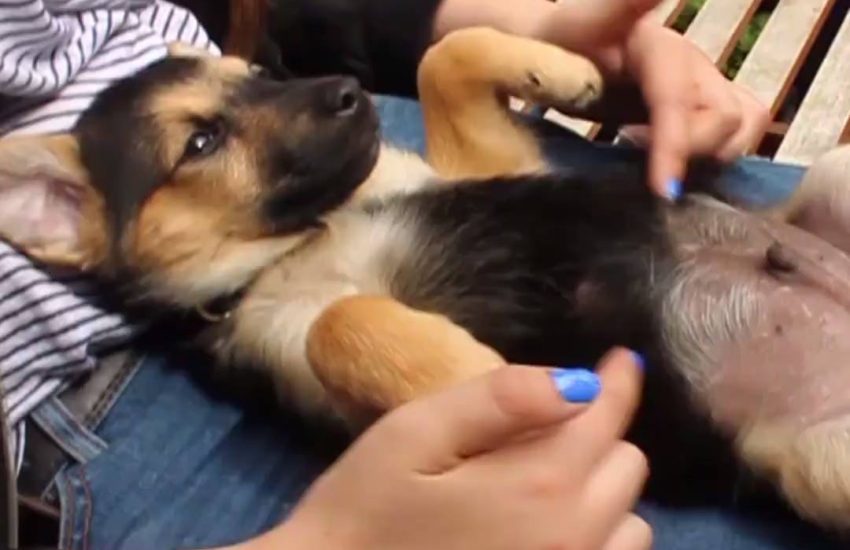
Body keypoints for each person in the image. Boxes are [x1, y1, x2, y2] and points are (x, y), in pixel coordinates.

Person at [0, 0, 841, 549]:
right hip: (106, 415)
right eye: (206, 141)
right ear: (59, 211)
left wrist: (499, 33)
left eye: (249, 84)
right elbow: (351, 340)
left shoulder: (322, 169)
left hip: (722, 242)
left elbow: (469, 188)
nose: (321, 97)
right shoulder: (275, 314)